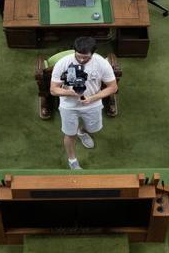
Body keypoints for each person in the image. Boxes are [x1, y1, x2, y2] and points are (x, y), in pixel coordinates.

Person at [49, 37, 118, 169]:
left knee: (93, 129)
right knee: (70, 134)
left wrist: (92, 98)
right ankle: (72, 160)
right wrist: (71, 93)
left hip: (92, 103)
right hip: (69, 105)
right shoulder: (63, 63)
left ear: (93, 53)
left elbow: (113, 87)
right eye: (78, 56)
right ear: (74, 51)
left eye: (85, 57)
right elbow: (53, 89)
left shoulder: (102, 63)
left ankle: (82, 132)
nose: (81, 60)